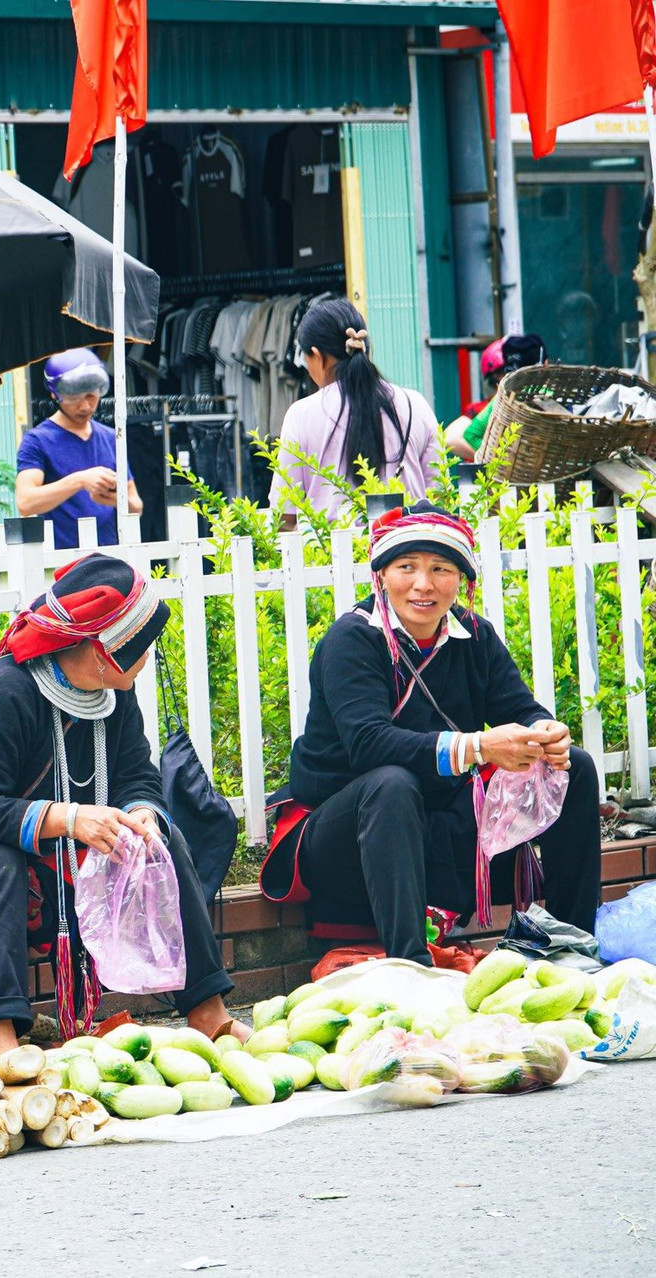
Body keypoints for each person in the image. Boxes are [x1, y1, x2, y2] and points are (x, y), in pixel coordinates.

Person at [0, 554, 242, 1060]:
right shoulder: (4, 694)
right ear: (101, 649)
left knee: (159, 837)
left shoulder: (110, 695)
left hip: (30, 874)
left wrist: (142, 812)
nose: (148, 654)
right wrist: (68, 817)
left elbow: (137, 775)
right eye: (141, 644)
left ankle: (207, 1012)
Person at [273, 502, 601, 960]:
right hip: (351, 831)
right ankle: (412, 965)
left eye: (441, 568)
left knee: (576, 768)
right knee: (391, 783)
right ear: (382, 574)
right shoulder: (352, 639)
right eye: (406, 566)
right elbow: (369, 744)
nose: (423, 584)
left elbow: (519, 706)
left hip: (438, 815)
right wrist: (481, 746)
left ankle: (570, 947)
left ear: (461, 580)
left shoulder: (473, 634)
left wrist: (543, 732)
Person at [269, 298, 440, 523]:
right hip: (408, 550)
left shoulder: (300, 415)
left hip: (330, 555)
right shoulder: (415, 404)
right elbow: (437, 495)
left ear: (317, 356)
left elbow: (284, 516)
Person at [16, 349, 140, 549]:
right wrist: (80, 480)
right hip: (62, 561)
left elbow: (136, 505)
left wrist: (115, 498)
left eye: (91, 396)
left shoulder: (111, 437)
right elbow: (26, 502)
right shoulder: (37, 440)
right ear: (54, 394)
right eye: (74, 397)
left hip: (109, 555)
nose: (85, 406)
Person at [443, 333, 546, 462]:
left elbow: (453, 437)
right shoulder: (482, 408)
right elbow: (451, 438)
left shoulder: (487, 406)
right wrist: (501, 458)